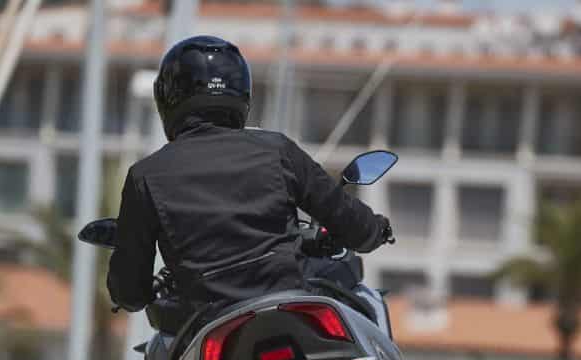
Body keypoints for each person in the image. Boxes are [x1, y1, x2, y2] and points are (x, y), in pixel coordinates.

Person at [106, 35, 392, 315]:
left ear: (167, 97)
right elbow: (348, 220)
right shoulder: (277, 150)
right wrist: (377, 229)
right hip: (288, 311)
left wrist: (140, 290)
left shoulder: (145, 176)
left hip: (210, 323)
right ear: (241, 92)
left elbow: (129, 292)